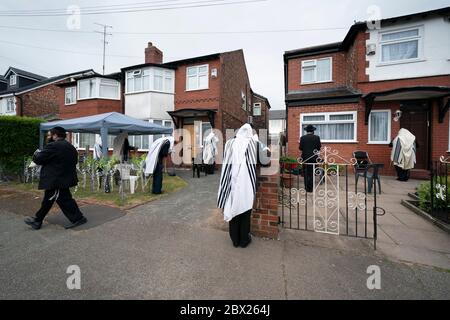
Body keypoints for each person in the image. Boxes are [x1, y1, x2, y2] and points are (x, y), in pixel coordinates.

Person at [24, 127, 87, 230]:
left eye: (50, 135)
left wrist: (36, 154)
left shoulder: (53, 146)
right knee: (60, 199)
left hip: (56, 179)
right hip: (63, 179)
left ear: (55, 135)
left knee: (52, 199)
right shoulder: (70, 146)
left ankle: (38, 220)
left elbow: (38, 159)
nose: (48, 137)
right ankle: (38, 220)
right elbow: (72, 161)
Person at [218, 123, 268, 248]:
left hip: (231, 182)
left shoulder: (229, 143)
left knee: (233, 207)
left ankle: (235, 240)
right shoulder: (255, 144)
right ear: (251, 132)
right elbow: (266, 162)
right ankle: (244, 240)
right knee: (245, 211)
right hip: (247, 184)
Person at [299, 124, 322, 193]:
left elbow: (300, 148)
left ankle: (306, 188)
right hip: (313, 158)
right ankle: (311, 189)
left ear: (306, 131)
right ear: (313, 131)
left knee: (306, 173)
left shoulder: (302, 138)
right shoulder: (317, 137)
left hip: (305, 158)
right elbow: (318, 148)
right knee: (312, 173)